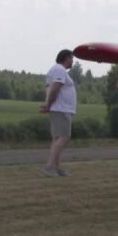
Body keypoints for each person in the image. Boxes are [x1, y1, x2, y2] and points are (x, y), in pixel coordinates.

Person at [39, 49, 77, 177]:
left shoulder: (56, 70)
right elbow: (55, 89)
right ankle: (49, 167)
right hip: (61, 109)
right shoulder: (59, 70)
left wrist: (49, 106)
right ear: (66, 58)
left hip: (59, 108)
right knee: (65, 137)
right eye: (71, 58)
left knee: (57, 139)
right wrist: (49, 105)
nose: (73, 61)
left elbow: (53, 89)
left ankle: (56, 168)